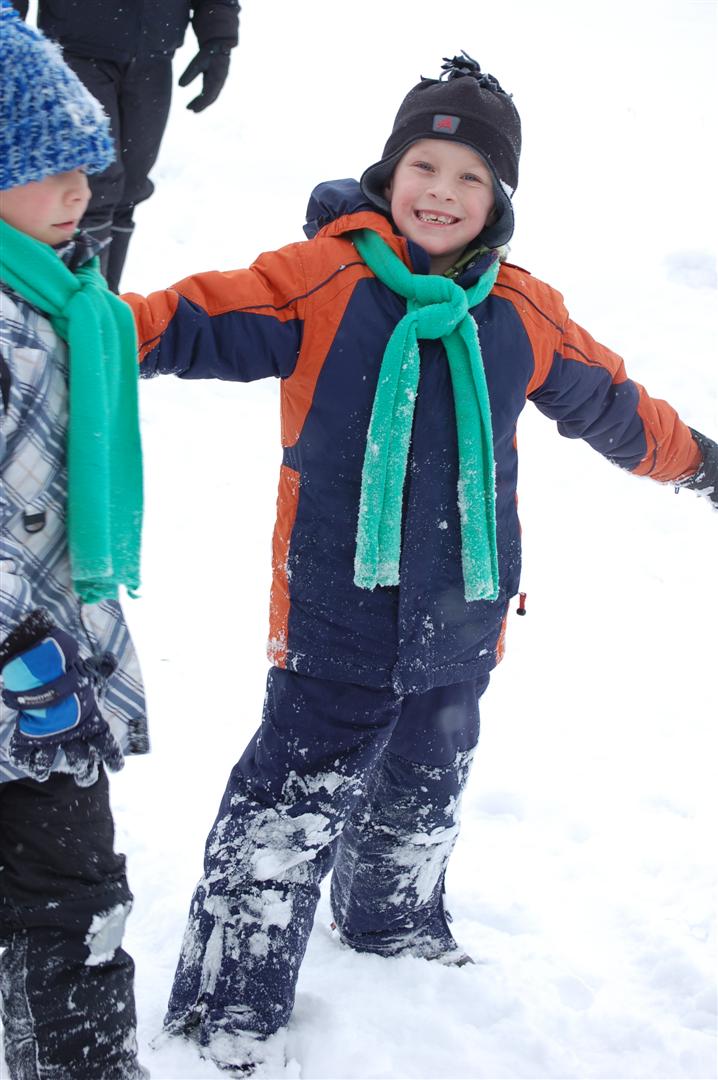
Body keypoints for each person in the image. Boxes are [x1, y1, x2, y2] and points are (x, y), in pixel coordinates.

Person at [124, 52, 717, 1075]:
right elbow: (196, 317)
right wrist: (88, 330)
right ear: (389, 173)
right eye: (425, 167)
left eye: (470, 176)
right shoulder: (325, 280)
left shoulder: (518, 309)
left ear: (499, 200)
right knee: (287, 809)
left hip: (462, 610)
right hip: (333, 607)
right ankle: (230, 1009)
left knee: (425, 780)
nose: (442, 192)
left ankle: (391, 922)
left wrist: (700, 464)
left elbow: (611, 404)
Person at [0, 5, 148, 1077]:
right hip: (27, 666)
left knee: (78, 902)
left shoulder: (67, 300)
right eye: (48, 167)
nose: (79, 189)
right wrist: (21, 649)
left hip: (51, 678)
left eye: (84, 164)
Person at [9, 0, 241, 294]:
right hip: (77, 48)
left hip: (154, 53)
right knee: (92, 188)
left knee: (130, 188)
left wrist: (218, 39)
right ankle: (73, 301)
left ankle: (107, 299)